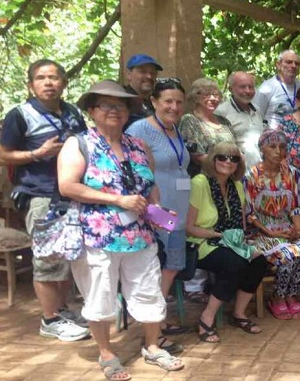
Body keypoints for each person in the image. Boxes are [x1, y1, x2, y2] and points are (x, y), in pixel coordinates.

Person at [59, 80, 184, 380]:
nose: (115, 111)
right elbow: (67, 186)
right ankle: (107, 352)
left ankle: (152, 346)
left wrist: (158, 209)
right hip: (97, 236)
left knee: (149, 290)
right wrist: (117, 199)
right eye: (107, 105)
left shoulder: (138, 146)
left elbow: (149, 184)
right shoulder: (79, 144)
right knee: (100, 294)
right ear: (92, 110)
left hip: (140, 236)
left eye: (121, 106)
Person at [0, 59, 89, 342]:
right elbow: (3, 154)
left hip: (70, 193)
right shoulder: (20, 115)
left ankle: (61, 310)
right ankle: (49, 320)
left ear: (64, 83)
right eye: (41, 78)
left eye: (53, 77)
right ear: (31, 85)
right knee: (48, 257)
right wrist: (37, 153)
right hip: (39, 196)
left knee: (65, 256)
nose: (48, 83)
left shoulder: (72, 112)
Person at [126, 78, 191, 348]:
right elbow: (130, 171)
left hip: (179, 211)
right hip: (155, 213)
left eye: (178, 101)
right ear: (153, 102)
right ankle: (152, 331)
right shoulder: (139, 129)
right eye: (168, 101)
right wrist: (151, 209)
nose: (174, 106)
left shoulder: (177, 129)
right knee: (154, 268)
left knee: (172, 267)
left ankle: (159, 317)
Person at [186, 142, 268, 343]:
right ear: (212, 159)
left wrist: (242, 240)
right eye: (222, 157)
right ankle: (207, 317)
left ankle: (238, 313)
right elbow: (189, 227)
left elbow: (240, 223)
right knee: (234, 263)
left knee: (259, 260)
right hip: (201, 242)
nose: (228, 162)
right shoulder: (200, 183)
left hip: (230, 241)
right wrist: (217, 235)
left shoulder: (237, 185)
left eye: (234, 158)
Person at [243, 129, 300, 320]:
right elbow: (249, 214)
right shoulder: (251, 176)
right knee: (287, 255)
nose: (278, 151)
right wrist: (271, 233)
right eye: (272, 146)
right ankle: (277, 298)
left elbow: (295, 208)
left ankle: (289, 296)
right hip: (260, 231)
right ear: (262, 149)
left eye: (282, 147)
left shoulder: (293, 174)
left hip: (286, 227)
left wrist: (298, 230)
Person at [179, 78, 236, 177]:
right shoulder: (189, 120)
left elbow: (236, 149)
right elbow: (196, 156)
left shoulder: (224, 122)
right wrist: (225, 166)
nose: (213, 98)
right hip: (203, 179)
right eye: (207, 94)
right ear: (196, 96)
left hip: (228, 178)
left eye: (216, 94)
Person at [215, 71, 265, 168]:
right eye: (242, 87)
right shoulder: (221, 112)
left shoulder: (257, 110)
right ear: (231, 89)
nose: (247, 91)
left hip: (259, 172)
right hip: (238, 172)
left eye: (251, 87)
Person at [253, 49, 300, 129]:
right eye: (289, 62)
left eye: (297, 64)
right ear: (278, 64)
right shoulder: (266, 88)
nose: (293, 66)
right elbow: (255, 118)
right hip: (274, 138)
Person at [123, 54, 162, 128]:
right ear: (128, 75)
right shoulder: (122, 101)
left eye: (153, 73)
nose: (149, 76)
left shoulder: (154, 103)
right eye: (143, 72)